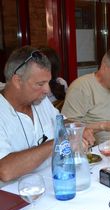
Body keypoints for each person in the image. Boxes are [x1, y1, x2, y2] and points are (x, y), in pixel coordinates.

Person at [0, 46, 95, 186]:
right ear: (17, 81)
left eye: (48, 82)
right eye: (40, 84)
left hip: (52, 183)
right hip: (15, 198)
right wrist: (59, 140)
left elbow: (62, 122)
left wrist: (77, 130)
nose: (47, 90)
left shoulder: (41, 102)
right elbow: (5, 170)